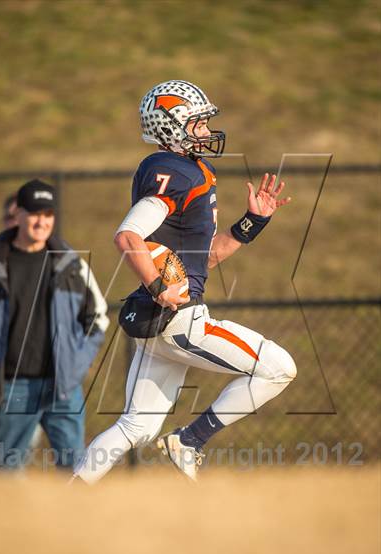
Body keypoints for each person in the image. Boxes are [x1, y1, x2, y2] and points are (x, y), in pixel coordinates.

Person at [73, 80, 296, 483]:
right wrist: (161, 288)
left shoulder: (190, 171)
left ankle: (69, 495)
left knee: (135, 428)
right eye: (197, 124)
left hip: (160, 322)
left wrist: (253, 223)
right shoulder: (171, 172)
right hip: (180, 318)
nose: (206, 132)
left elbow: (206, 255)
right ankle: (191, 440)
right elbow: (128, 236)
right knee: (279, 368)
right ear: (170, 127)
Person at [0, 179, 109, 469]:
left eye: (48, 214)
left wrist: (75, 366)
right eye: (34, 213)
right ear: (18, 215)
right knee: (4, 475)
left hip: (63, 390)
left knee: (76, 473)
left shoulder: (70, 265)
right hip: (11, 389)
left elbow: (98, 319)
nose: (41, 221)